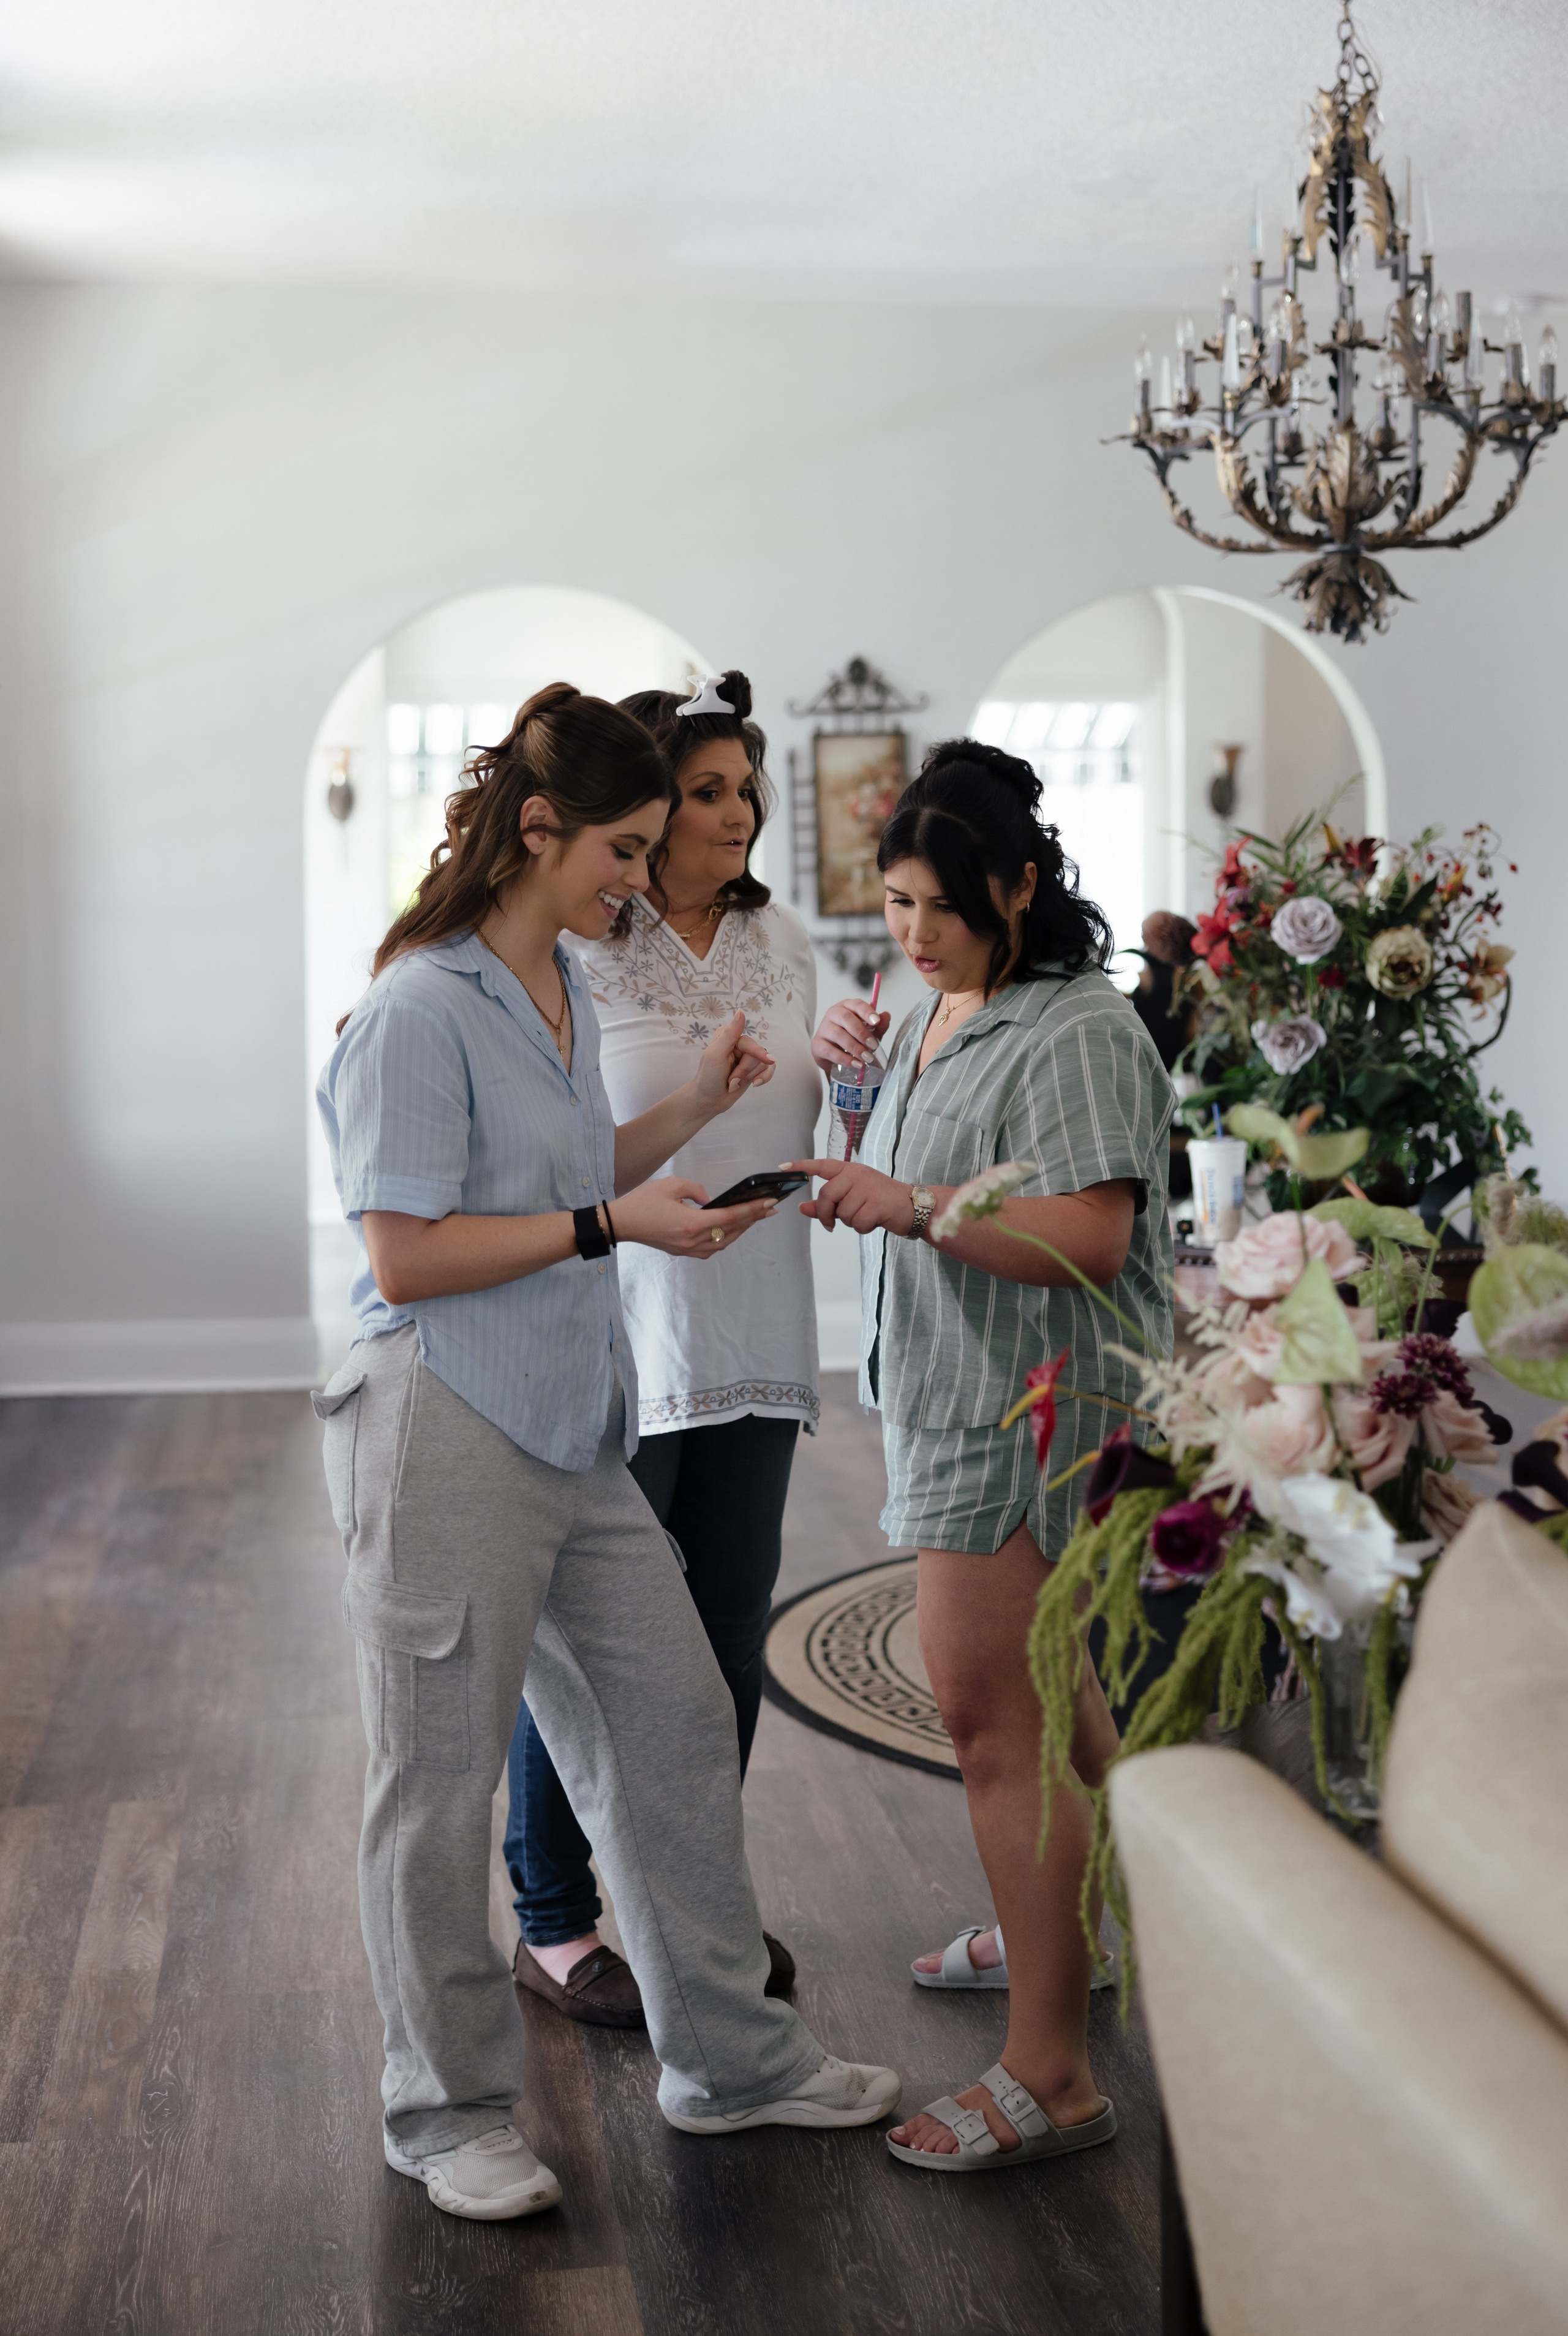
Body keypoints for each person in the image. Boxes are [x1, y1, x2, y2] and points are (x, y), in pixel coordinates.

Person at [315, 683, 899, 2224]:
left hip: (574, 1419)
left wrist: (686, 1122)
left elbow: (582, 1169)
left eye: (651, 849)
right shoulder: (417, 1007)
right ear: (537, 828)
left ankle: (730, 2058)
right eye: (623, 848)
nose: (638, 880)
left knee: (674, 1720)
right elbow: (407, 1252)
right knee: (432, 1785)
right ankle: (443, 2113)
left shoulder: (555, 987)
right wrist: (605, 1223)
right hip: (441, 1418)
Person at [791, 738, 1172, 2175]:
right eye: (893, 903)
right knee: (1050, 1697)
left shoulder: (1075, 1024)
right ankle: (1078, 1930)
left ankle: (1049, 2070)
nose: (911, 932)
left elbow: (1088, 1237)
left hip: (1032, 1407)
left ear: (1019, 884)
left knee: (989, 1728)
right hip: (961, 1389)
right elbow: (927, 1178)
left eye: (937, 907)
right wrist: (854, 1117)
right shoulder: (945, 1002)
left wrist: (907, 1203)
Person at [504, 671, 820, 2027]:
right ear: (639, 806)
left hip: (762, 1326)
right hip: (621, 1334)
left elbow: (812, 1112)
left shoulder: (784, 937)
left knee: (725, 1638)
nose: (736, 813)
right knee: (585, 1644)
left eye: (747, 788)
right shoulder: (575, 944)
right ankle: (554, 1916)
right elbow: (531, 1142)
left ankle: (691, 1898)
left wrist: (855, 1088)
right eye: (706, 792)